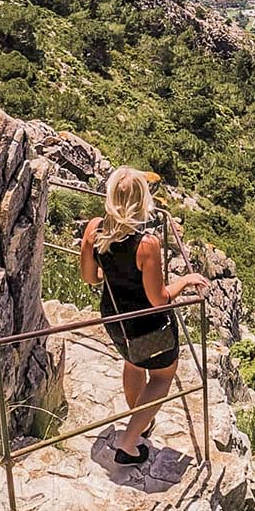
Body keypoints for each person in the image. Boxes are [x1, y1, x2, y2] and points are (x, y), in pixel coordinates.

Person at [79, 166, 209, 465]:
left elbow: (91, 278)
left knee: (133, 363)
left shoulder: (95, 229)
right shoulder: (147, 243)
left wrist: (112, 269)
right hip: (147, 324)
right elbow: (159, 299)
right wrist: (186, 281)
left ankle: (140, 419)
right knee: (163, 377)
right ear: (142, 200)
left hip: (114, 318)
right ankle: (129, 442)